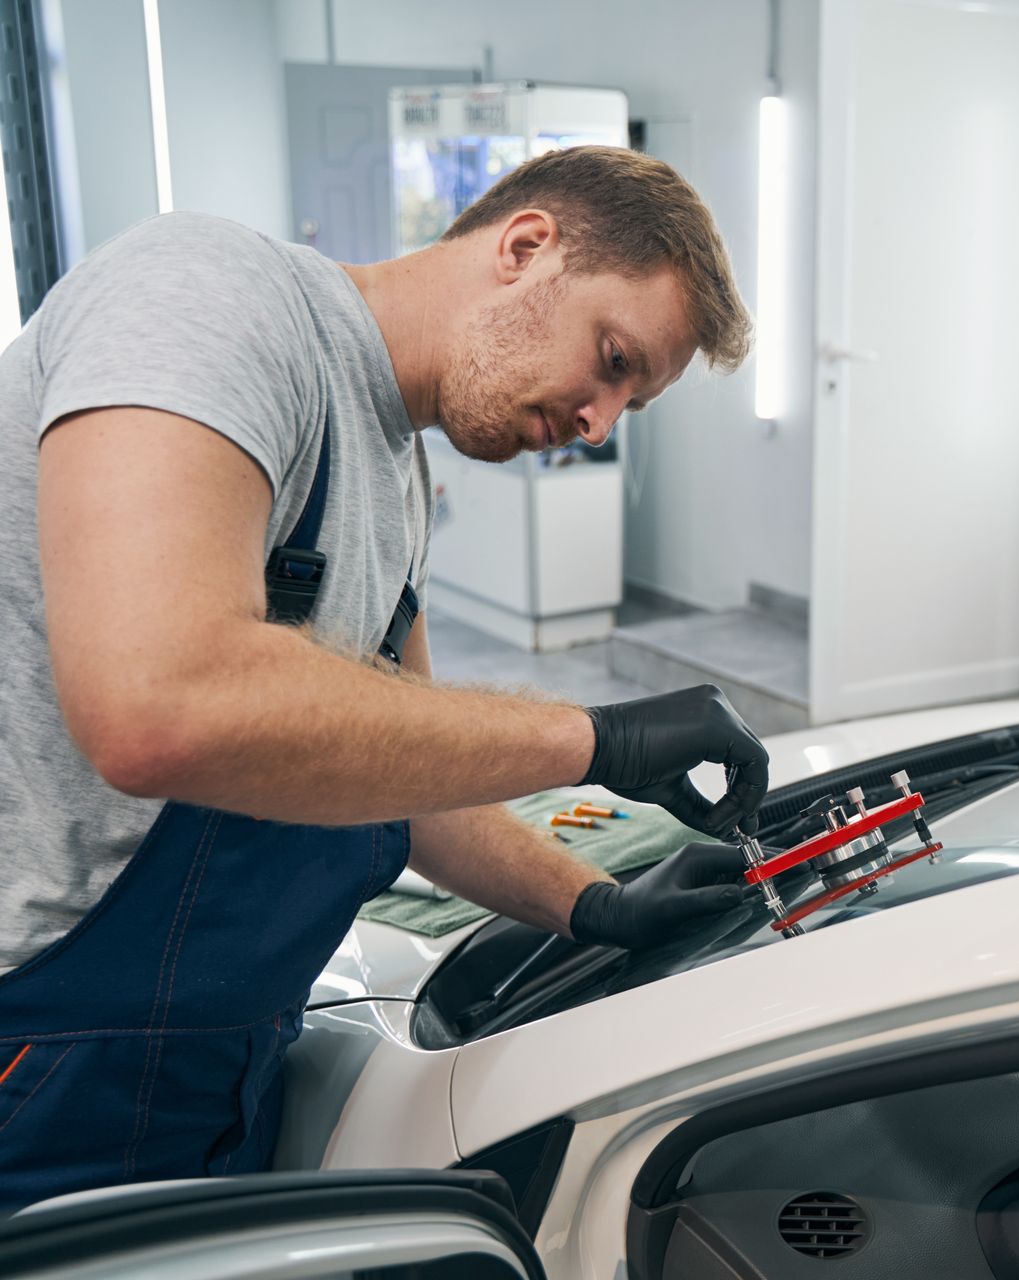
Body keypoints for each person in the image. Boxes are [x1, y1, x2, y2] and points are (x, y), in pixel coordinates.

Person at [0, 145, 770, 1207]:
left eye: (627, 403)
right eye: (613, 358)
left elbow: (402, 777)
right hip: (34, 1063)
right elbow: (156, 703)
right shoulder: (208, 296)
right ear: (526, 246)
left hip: (205, 1070)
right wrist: (597, 738)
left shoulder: (395, 479)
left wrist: (597, 903)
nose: (597, 421)